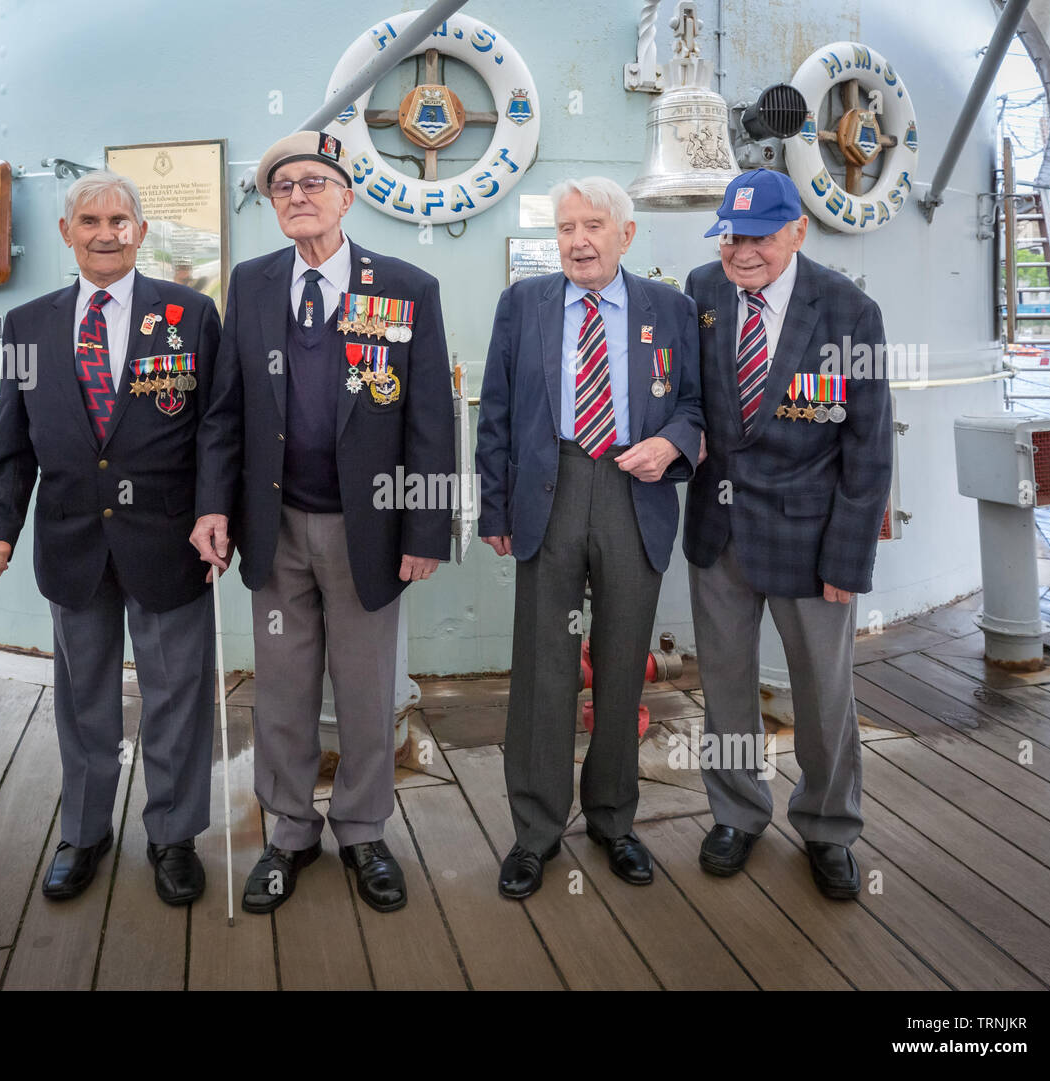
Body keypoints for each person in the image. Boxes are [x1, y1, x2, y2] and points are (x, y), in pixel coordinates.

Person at [191, 131, 453, 915]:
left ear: (347, 196)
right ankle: (290, 831)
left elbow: (430, 418)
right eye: (282, 188)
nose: (298, 196)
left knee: (369, 691)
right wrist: (214, 505)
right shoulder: (253, 283)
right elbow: (224, 411)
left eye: (313, 183)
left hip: (367, 529)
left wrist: (427, 526)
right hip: (275, 528)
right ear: (272, 206)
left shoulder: (406, 287)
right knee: (281, 689)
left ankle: (364, 830)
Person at [0, 170, 221, 906]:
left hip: (171, 544)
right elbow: (12, 442)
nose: (105, 232)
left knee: (176, 695)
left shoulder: (191, 314)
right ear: (66, 232)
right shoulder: (28, 326)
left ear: (141, 231)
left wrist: (214, 510)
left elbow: (215, 430)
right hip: (72, 542)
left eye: (119, 220)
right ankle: (84, 830)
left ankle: (173, 835)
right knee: (84, 701)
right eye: (90, 220)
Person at [475, 176, 703, 900]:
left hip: (635, 492)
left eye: (593, 226)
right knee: (544, 665)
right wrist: (494, 510)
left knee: (620, 660)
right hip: (552, 488)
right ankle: (535, 830)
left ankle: (612, 819)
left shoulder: (670, 308)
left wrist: (671, 445)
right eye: (566, 226)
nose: (577, 240)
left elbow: (696, 405)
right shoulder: (523, 304)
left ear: (626, 235)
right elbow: (498, 411)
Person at [683, 168, 892, 899]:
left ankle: (830, 826)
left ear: (798, 231)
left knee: (824, 695)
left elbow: (868, 449)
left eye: (761, 237)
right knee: (726, 687)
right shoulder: (701, 293)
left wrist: (850, 555)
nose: (742, 253)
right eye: (732, 236)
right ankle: (737, 811)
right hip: (720, 532)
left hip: (811, 540)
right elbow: (686, 399)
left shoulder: (847, 311)